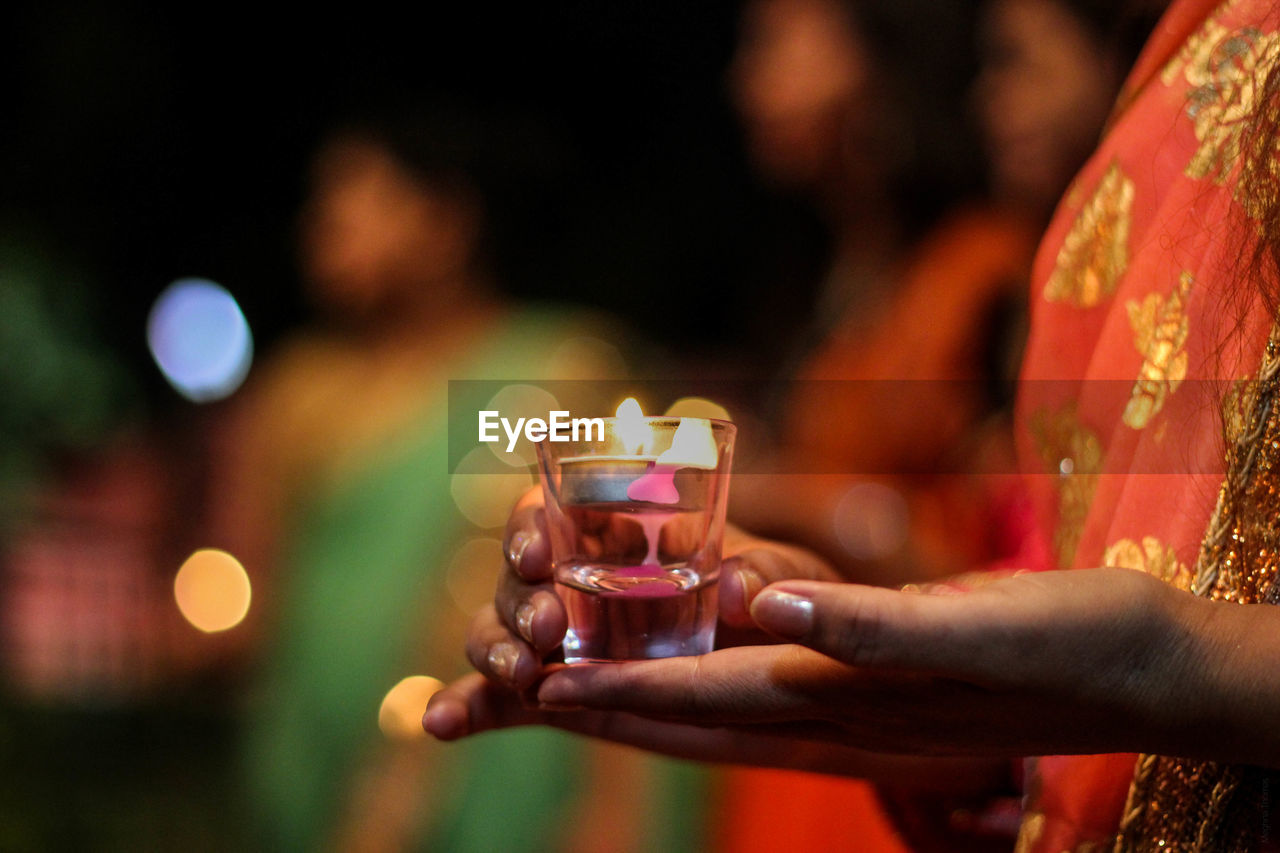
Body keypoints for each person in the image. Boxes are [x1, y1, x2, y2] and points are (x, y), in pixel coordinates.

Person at [425, 0, 1280, 849]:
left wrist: (815, 512)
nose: (746, 78)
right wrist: (951, 724)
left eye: (778, 39)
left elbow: (1006, 530)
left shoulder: (977, 278)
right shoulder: (825, 286)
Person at [209, 104, 716, 852]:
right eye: (322, 200)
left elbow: (624, 599)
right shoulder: (299, 392)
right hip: (314, 770)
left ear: (447, 223)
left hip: (499, 785)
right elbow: (252, 593)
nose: (327, 222)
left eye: (360, 196)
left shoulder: (551, 370)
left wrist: (617, 810)